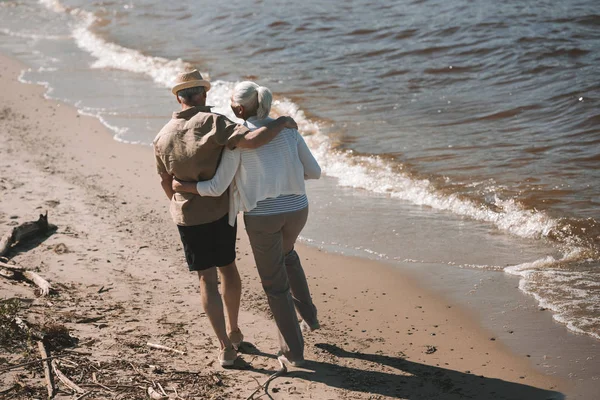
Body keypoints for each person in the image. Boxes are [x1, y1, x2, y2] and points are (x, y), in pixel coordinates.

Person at [154, 71, 298, 367]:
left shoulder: (162, 135)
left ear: (179, 97)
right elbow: (254, 140)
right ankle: (233, 331)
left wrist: (182, 202)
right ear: (203, 95)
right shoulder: (215, 122)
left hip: (187, 216)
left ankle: (225, 348)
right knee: (228, 270)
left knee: (205, 279)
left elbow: (165, 183)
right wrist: (283, 122)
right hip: (219, 213)